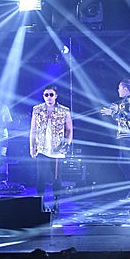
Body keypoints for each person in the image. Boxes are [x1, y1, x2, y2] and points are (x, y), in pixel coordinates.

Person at [30, 84, 73, 213]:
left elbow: (69, 129)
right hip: (42, 148)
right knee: (41, 177)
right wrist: (32, 147)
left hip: (57, 150)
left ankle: (56, 202)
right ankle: (41, 202)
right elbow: (33, 130)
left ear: (56, 96)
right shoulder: (37, 110)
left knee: (56, 178)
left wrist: (67, 144)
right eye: (46, 95)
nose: (48, 97)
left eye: (51, 95)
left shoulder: (64, 110)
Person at [101, 77, 130, 197]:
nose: (118, 90)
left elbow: (129, 115)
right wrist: (115, 111)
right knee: (123, 162)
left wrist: (115, 111)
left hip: (128, 135)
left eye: (119, 88)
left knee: (127, 163)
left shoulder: (129, 101)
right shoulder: (127, 101)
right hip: (125, 135)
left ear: (125, 89)